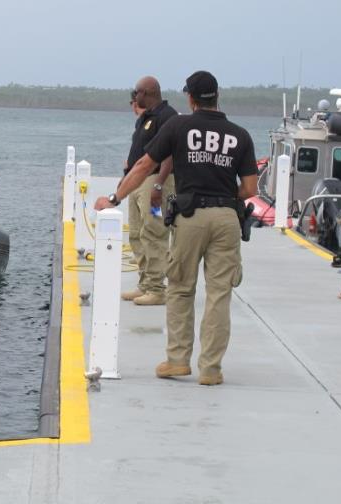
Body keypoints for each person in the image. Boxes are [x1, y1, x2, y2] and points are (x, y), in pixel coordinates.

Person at [94, 71, 258, 386]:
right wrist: (224, 197)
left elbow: (144, 165)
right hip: (226, 218)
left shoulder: (179, 126)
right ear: (217, 96)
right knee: (219, 294)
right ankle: (211, 369)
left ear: (191, 98)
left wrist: (114, 198)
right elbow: (249, 188)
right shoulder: (240, 135)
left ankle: (178, 361)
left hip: (190, 215)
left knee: (182, 289)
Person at [121, 76, 178, 306]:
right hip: (138, 183)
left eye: (136, 93)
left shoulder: (167, 117)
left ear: (147, 92)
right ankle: (145, 282)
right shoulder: (145, 117)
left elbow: (170, 154)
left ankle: (157, 288)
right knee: (137, 233)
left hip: (155, 184)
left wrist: (158, 185)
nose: (134, 97)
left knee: (154, 232)